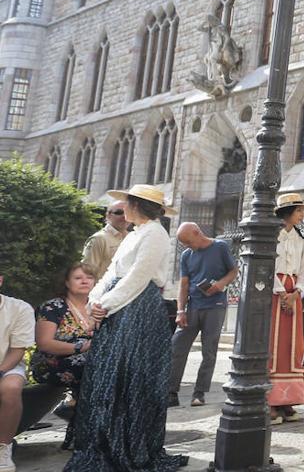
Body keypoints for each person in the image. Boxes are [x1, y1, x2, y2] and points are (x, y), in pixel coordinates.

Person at [66, 184, 186, 471]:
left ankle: (130, 442)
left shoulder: (156, 233)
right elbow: (112, 272)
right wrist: (95, 299)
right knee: (112, 372)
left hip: (139, 308)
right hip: (118, 307)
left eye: (127, 205)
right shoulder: (136, 233)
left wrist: (105, 305)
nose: (123, 210)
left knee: (130, 374)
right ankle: (106, 438)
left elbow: (139, 277)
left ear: (137, 206)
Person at [167, 222, 237, 408]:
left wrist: (220, 284)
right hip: (193, 307)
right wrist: (180, 311)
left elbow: (233, 271)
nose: (189, 247)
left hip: (215, 305)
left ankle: (199, 393)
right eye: (185, 244)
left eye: (189, 242)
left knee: (209, 351)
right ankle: (171, 392)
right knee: (177, 348)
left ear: (198, 233)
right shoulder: (186, 255)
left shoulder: (220, 247)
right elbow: (183, 285)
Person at [31, 263, 98, 444]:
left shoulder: (99, 306)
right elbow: (45, 344)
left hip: (90, 361)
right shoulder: (52, 307)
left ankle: (80, 421)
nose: (84, 281)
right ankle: (85, 429)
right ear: (67, 283)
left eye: (89, 277)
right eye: (78, 278)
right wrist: (80, 348)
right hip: (52, 363)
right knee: (95, 368)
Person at [269, 193, 304, 423]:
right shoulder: (273, 236)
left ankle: (288, 400)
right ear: (288, 212)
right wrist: (281, 292)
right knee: (274, 343)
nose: (302, 215)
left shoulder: (301, 238)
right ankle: (271, 401)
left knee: (292, 345)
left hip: (293, 292)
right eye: (299, 211)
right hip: (276, 293)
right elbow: (269, 266)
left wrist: (296, 293)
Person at [0, 273, 35, 472]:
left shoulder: (19, 308)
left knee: (11, 388)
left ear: (0, 280)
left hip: (8, 365)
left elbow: (17, 351)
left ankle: (3, 449)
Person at [80, 202, 129, 281]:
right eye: (119, 213)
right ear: (108, 215)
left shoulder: (132, 238)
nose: (124, 216)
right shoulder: (99, 239)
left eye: (127, 212)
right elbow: (87, 272)